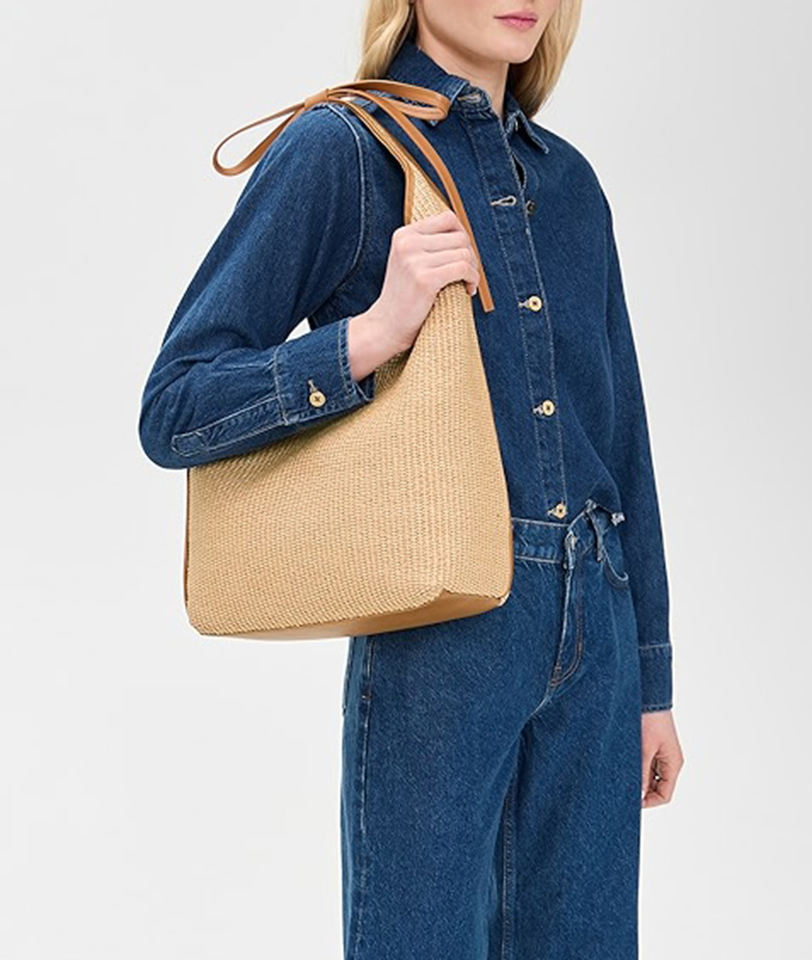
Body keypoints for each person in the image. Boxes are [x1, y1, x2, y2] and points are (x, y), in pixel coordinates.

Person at [139, 0, 684, 956]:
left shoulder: (572, 185)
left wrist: (650, 682)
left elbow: (623, 441)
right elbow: (176, 404)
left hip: (597, 630)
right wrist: (371, 334)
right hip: (444, 633)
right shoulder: (344, 150)